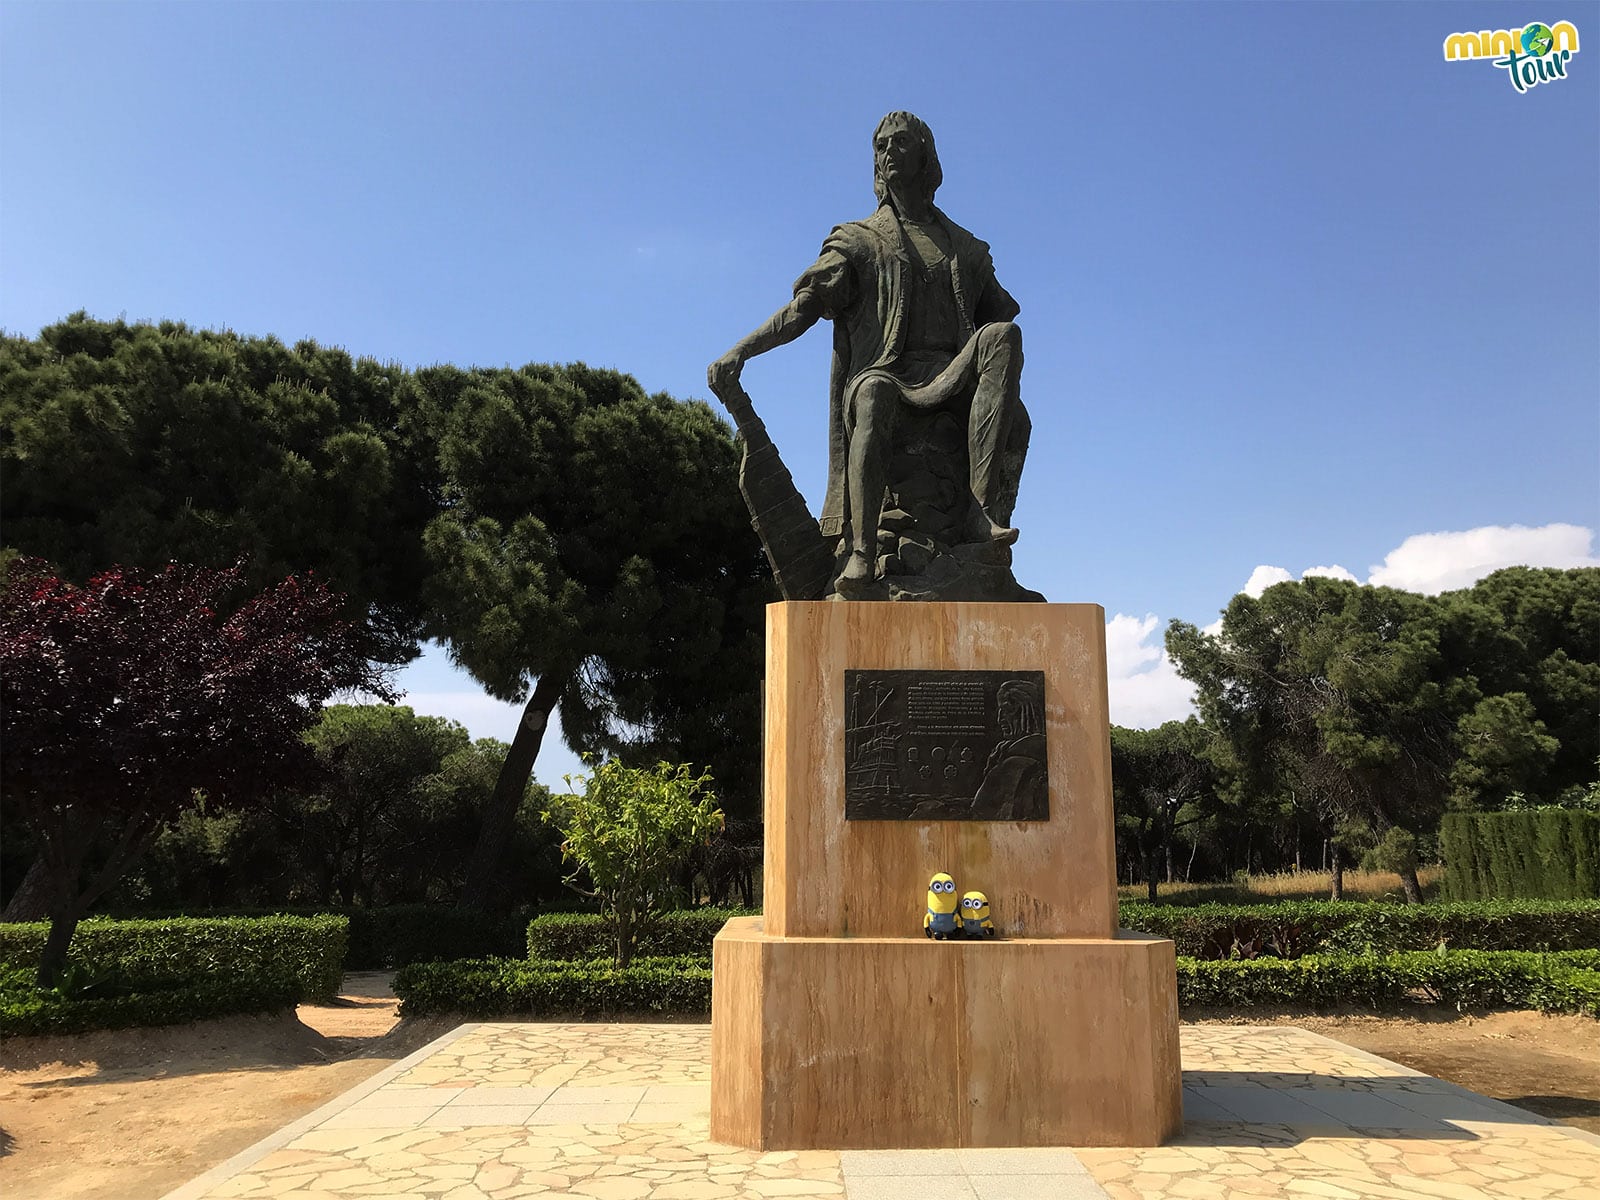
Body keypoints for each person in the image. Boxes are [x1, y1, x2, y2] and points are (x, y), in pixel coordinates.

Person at [709, 111, 1031, 599]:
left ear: (926, 154)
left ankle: (979, 515)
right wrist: (742, 351)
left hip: (952, 375)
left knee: (1004, 335)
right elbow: (804, 309)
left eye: (900, 142)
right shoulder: (859, 239)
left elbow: (1001, 310)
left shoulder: (964, 246)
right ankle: (861, 551)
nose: (887, 151)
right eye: (880, 146)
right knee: (875, 393)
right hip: (885, 375)